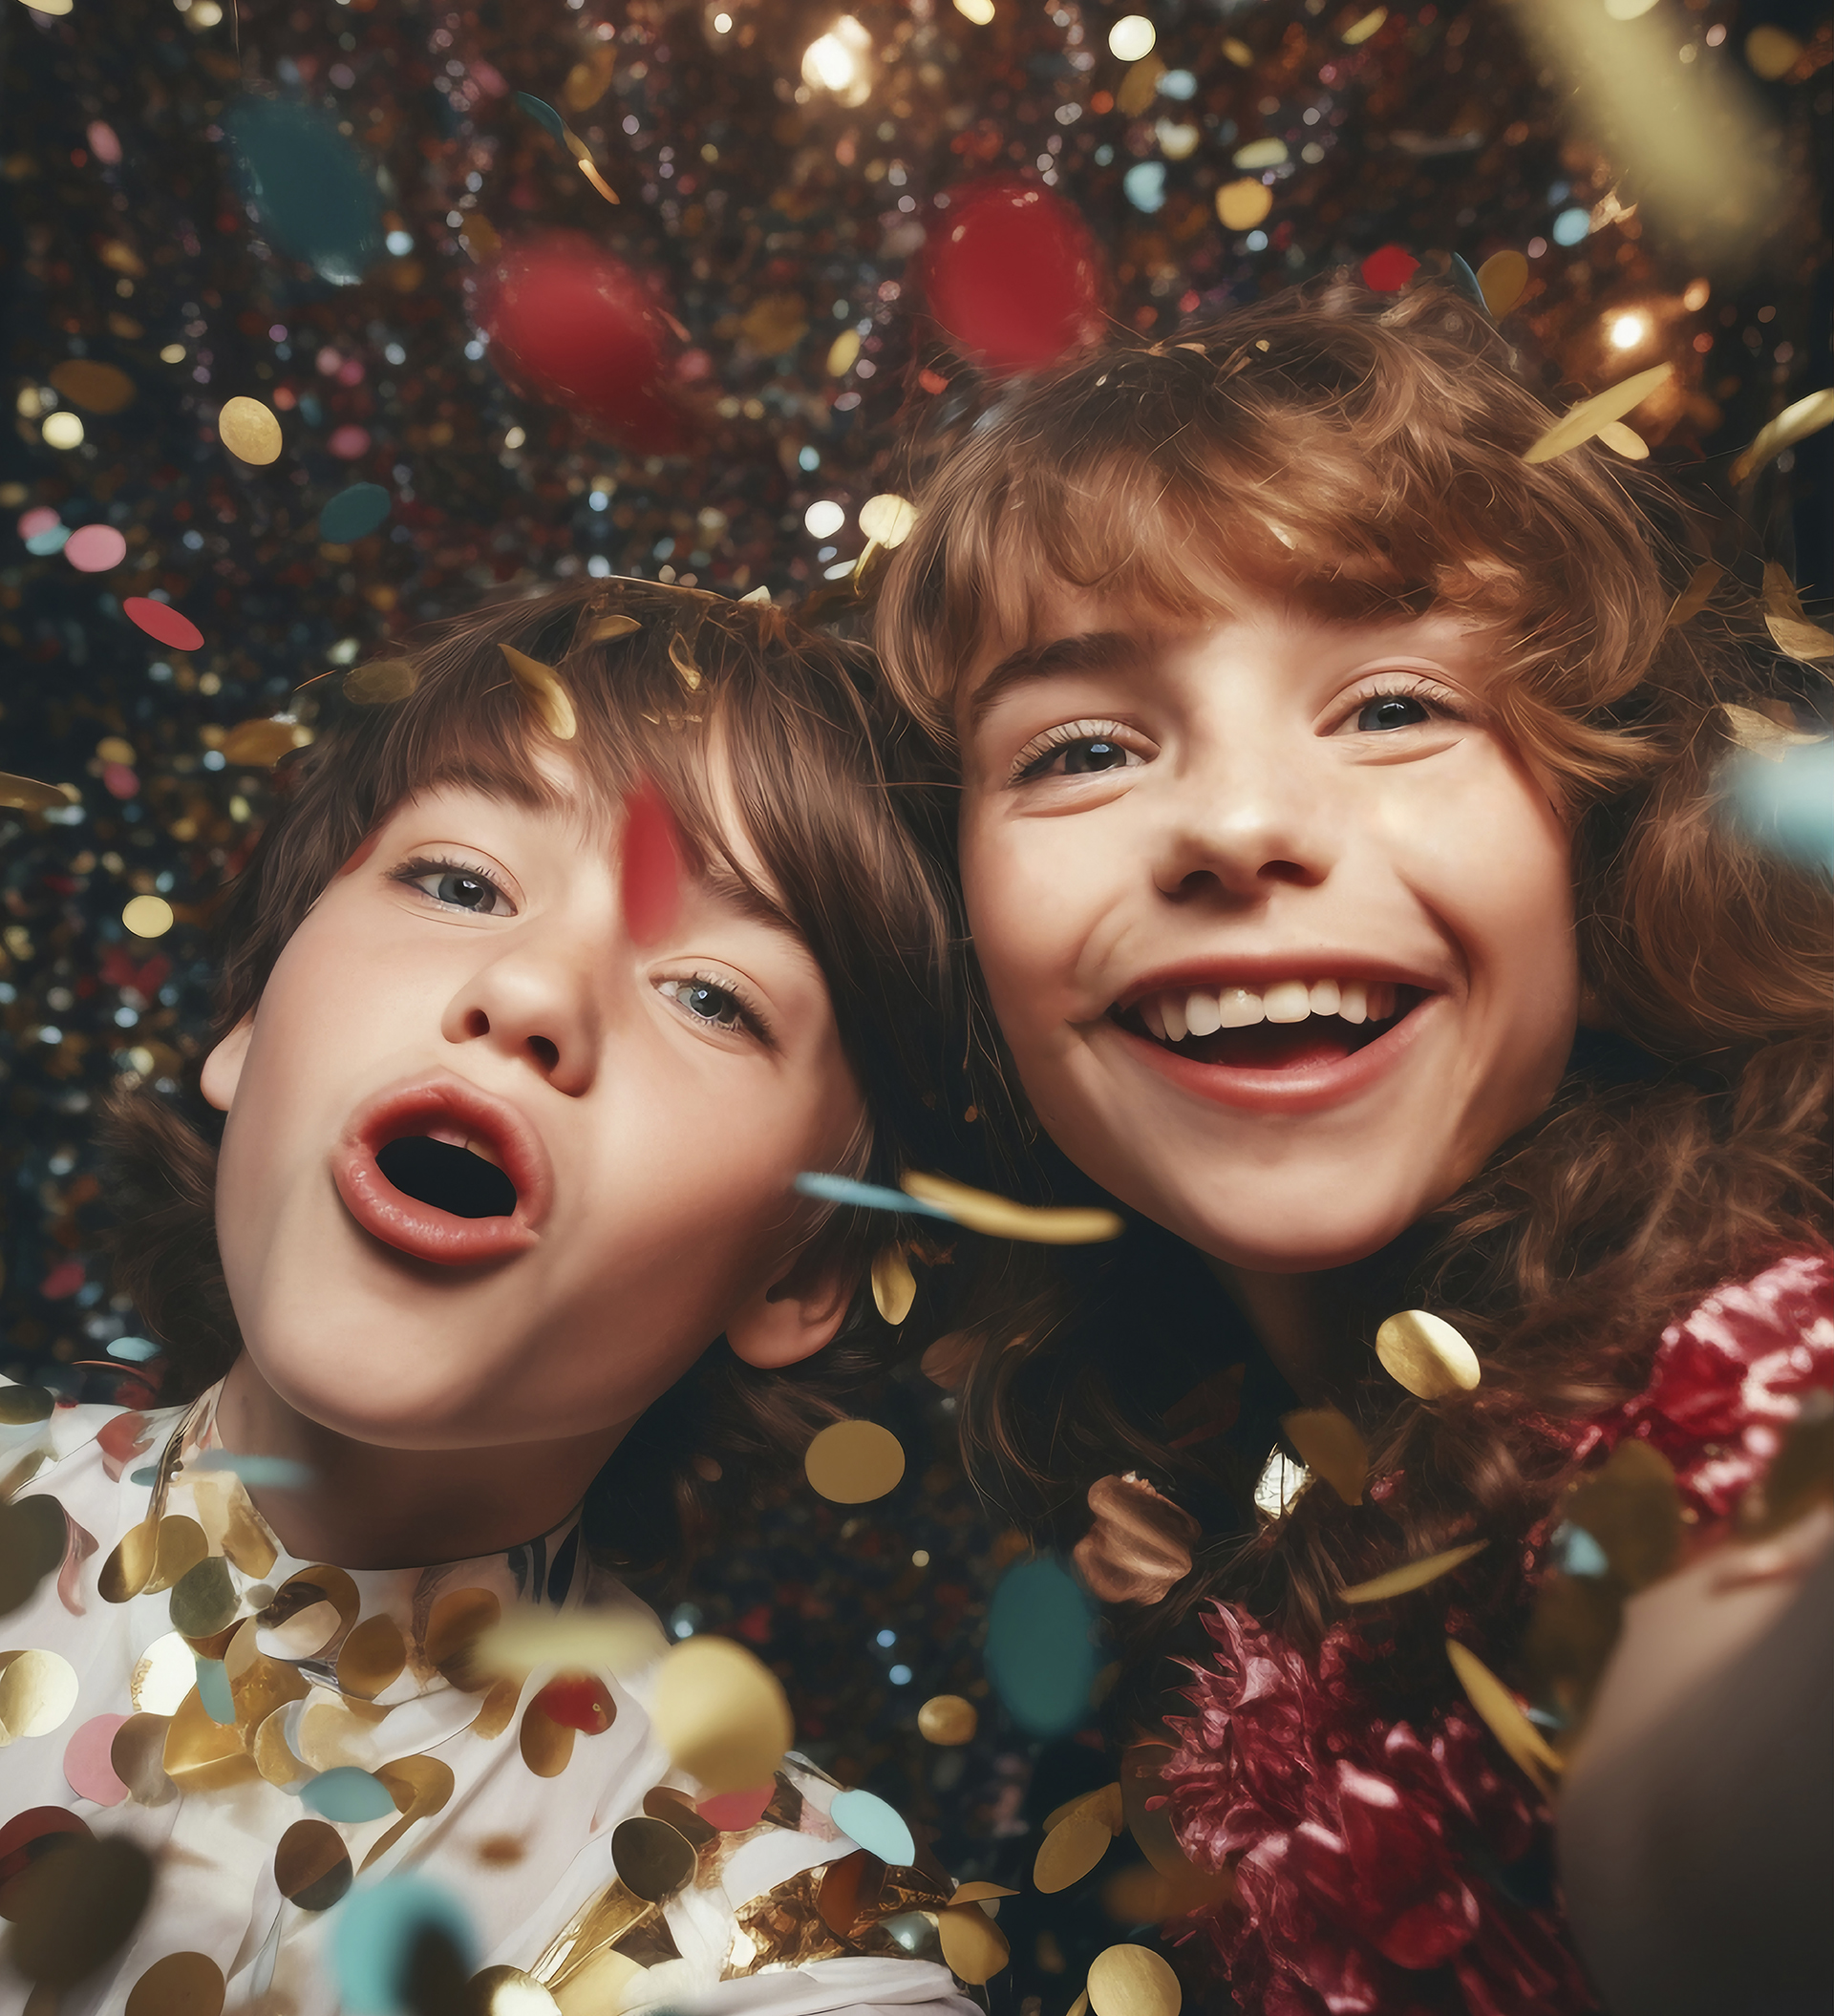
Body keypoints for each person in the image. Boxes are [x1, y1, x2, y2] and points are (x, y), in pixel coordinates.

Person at [873, 281, 1834, 2014]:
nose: (1238, 826)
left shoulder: (1745, 1410)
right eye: (1083, 747)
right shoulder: (1187, 1506)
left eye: (1394, 706)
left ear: (1597, 835)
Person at [0, 581, 981, 2016]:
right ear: (252, 1017)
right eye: (457, 881)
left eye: (712, 993)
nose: (529, 987)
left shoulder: (793, 1949)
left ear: (806, 1267)